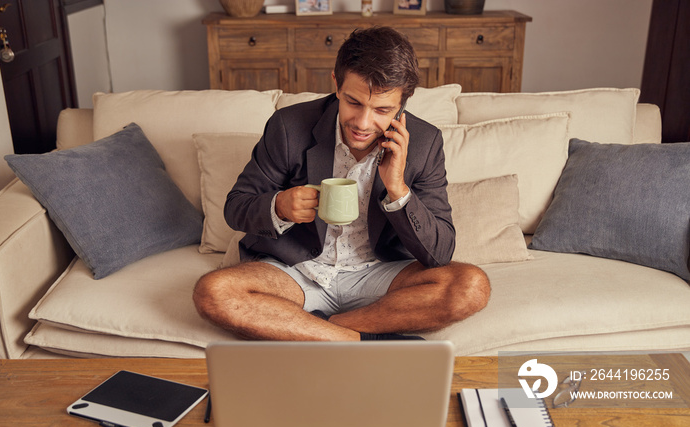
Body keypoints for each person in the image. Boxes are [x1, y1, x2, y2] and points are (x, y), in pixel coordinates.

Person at [193, 26, 490, 341]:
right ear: (336, 84)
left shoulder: (425, 143)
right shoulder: (288, 126)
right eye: (354, 102)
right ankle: (351, 339)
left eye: (382, 110)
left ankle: (325, 327)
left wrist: (398, 189)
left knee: (473, 286)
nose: (363, 123)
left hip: (381, 275)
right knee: (212, 292)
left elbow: (440, 253)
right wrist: (279, 206)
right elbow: (236, 206)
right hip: (297, 273)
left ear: (405, 99)